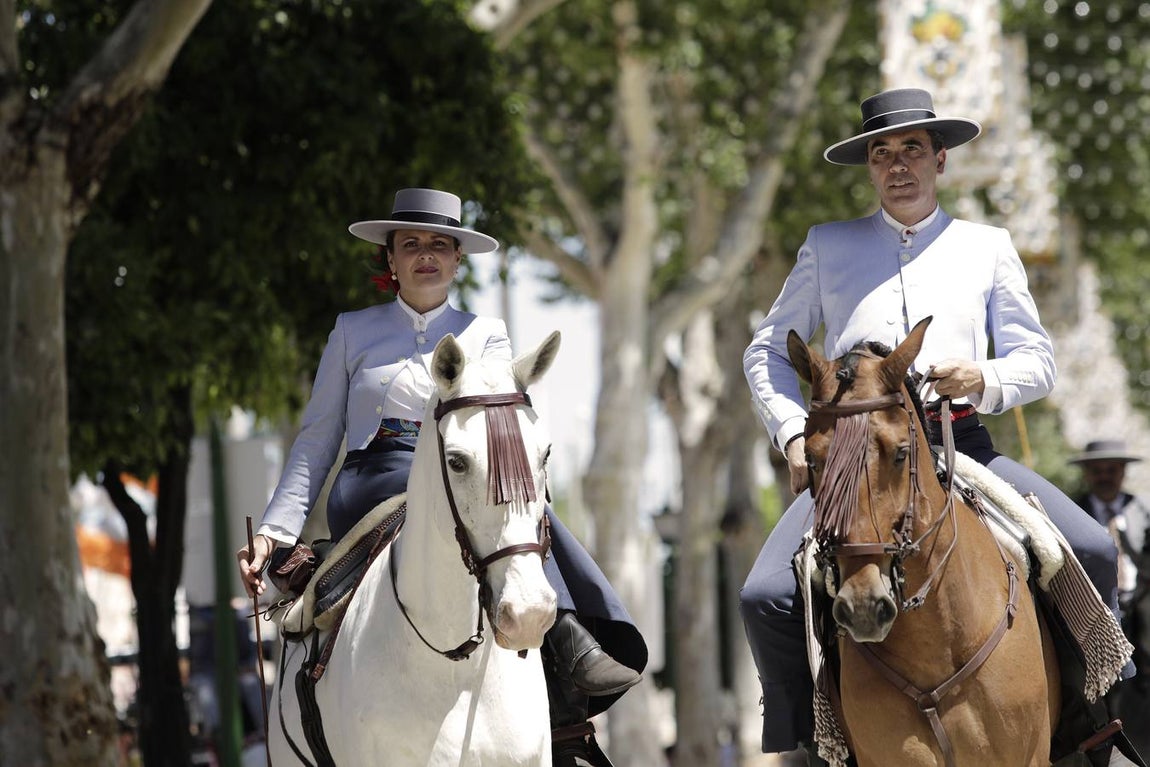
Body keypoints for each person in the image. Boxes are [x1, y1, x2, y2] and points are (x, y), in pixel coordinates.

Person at [740, 88, 1125, 764]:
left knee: (1090, 545)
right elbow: (766, 349)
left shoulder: (988, 246)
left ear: (939, 159)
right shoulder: (828, 246)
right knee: (765, 591)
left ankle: (1092, 725)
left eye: (912, 150)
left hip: (962, 442)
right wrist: (793, 434)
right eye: (881, 153)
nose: (897, 165)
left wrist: (983, 376)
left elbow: (1039, 360)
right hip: (857, 459)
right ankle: (805, 740)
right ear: (869, 167)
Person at [235, 188, 645, 742]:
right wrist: (275, 529)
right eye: (411, 244)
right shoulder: (352, 331)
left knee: (521, 510)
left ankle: (567, 641)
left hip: (468, 472)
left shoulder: (488, 333)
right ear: (391, 259)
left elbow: (501, 432)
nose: (425, 253)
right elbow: (316, 439)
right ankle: (318, 667)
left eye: (439, 244)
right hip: (375, 479)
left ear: (456, 259)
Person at [1071, 440, 1150, 602]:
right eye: (1097, 471)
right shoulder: (1072, 514)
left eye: (1111, 470)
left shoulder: (1144, 510)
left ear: (1123, 471)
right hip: (1093, 605)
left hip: (1143, 602)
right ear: (1086, 473)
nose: (1104, 477)